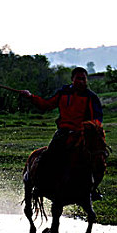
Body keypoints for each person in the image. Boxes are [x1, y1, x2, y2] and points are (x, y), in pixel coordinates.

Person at [20, 67, 104, 200]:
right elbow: (46, 105)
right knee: (48, 156)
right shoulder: (63, 93)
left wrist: (87, 129)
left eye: (83, 79)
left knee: (97, 159)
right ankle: (40, 184)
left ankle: (92, 189)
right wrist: (31, 97)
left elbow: (97, 119)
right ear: (72, 79)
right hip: (63, 132)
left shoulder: (91, 97)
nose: (81, 82)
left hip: (81, 134)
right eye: (78, 78)